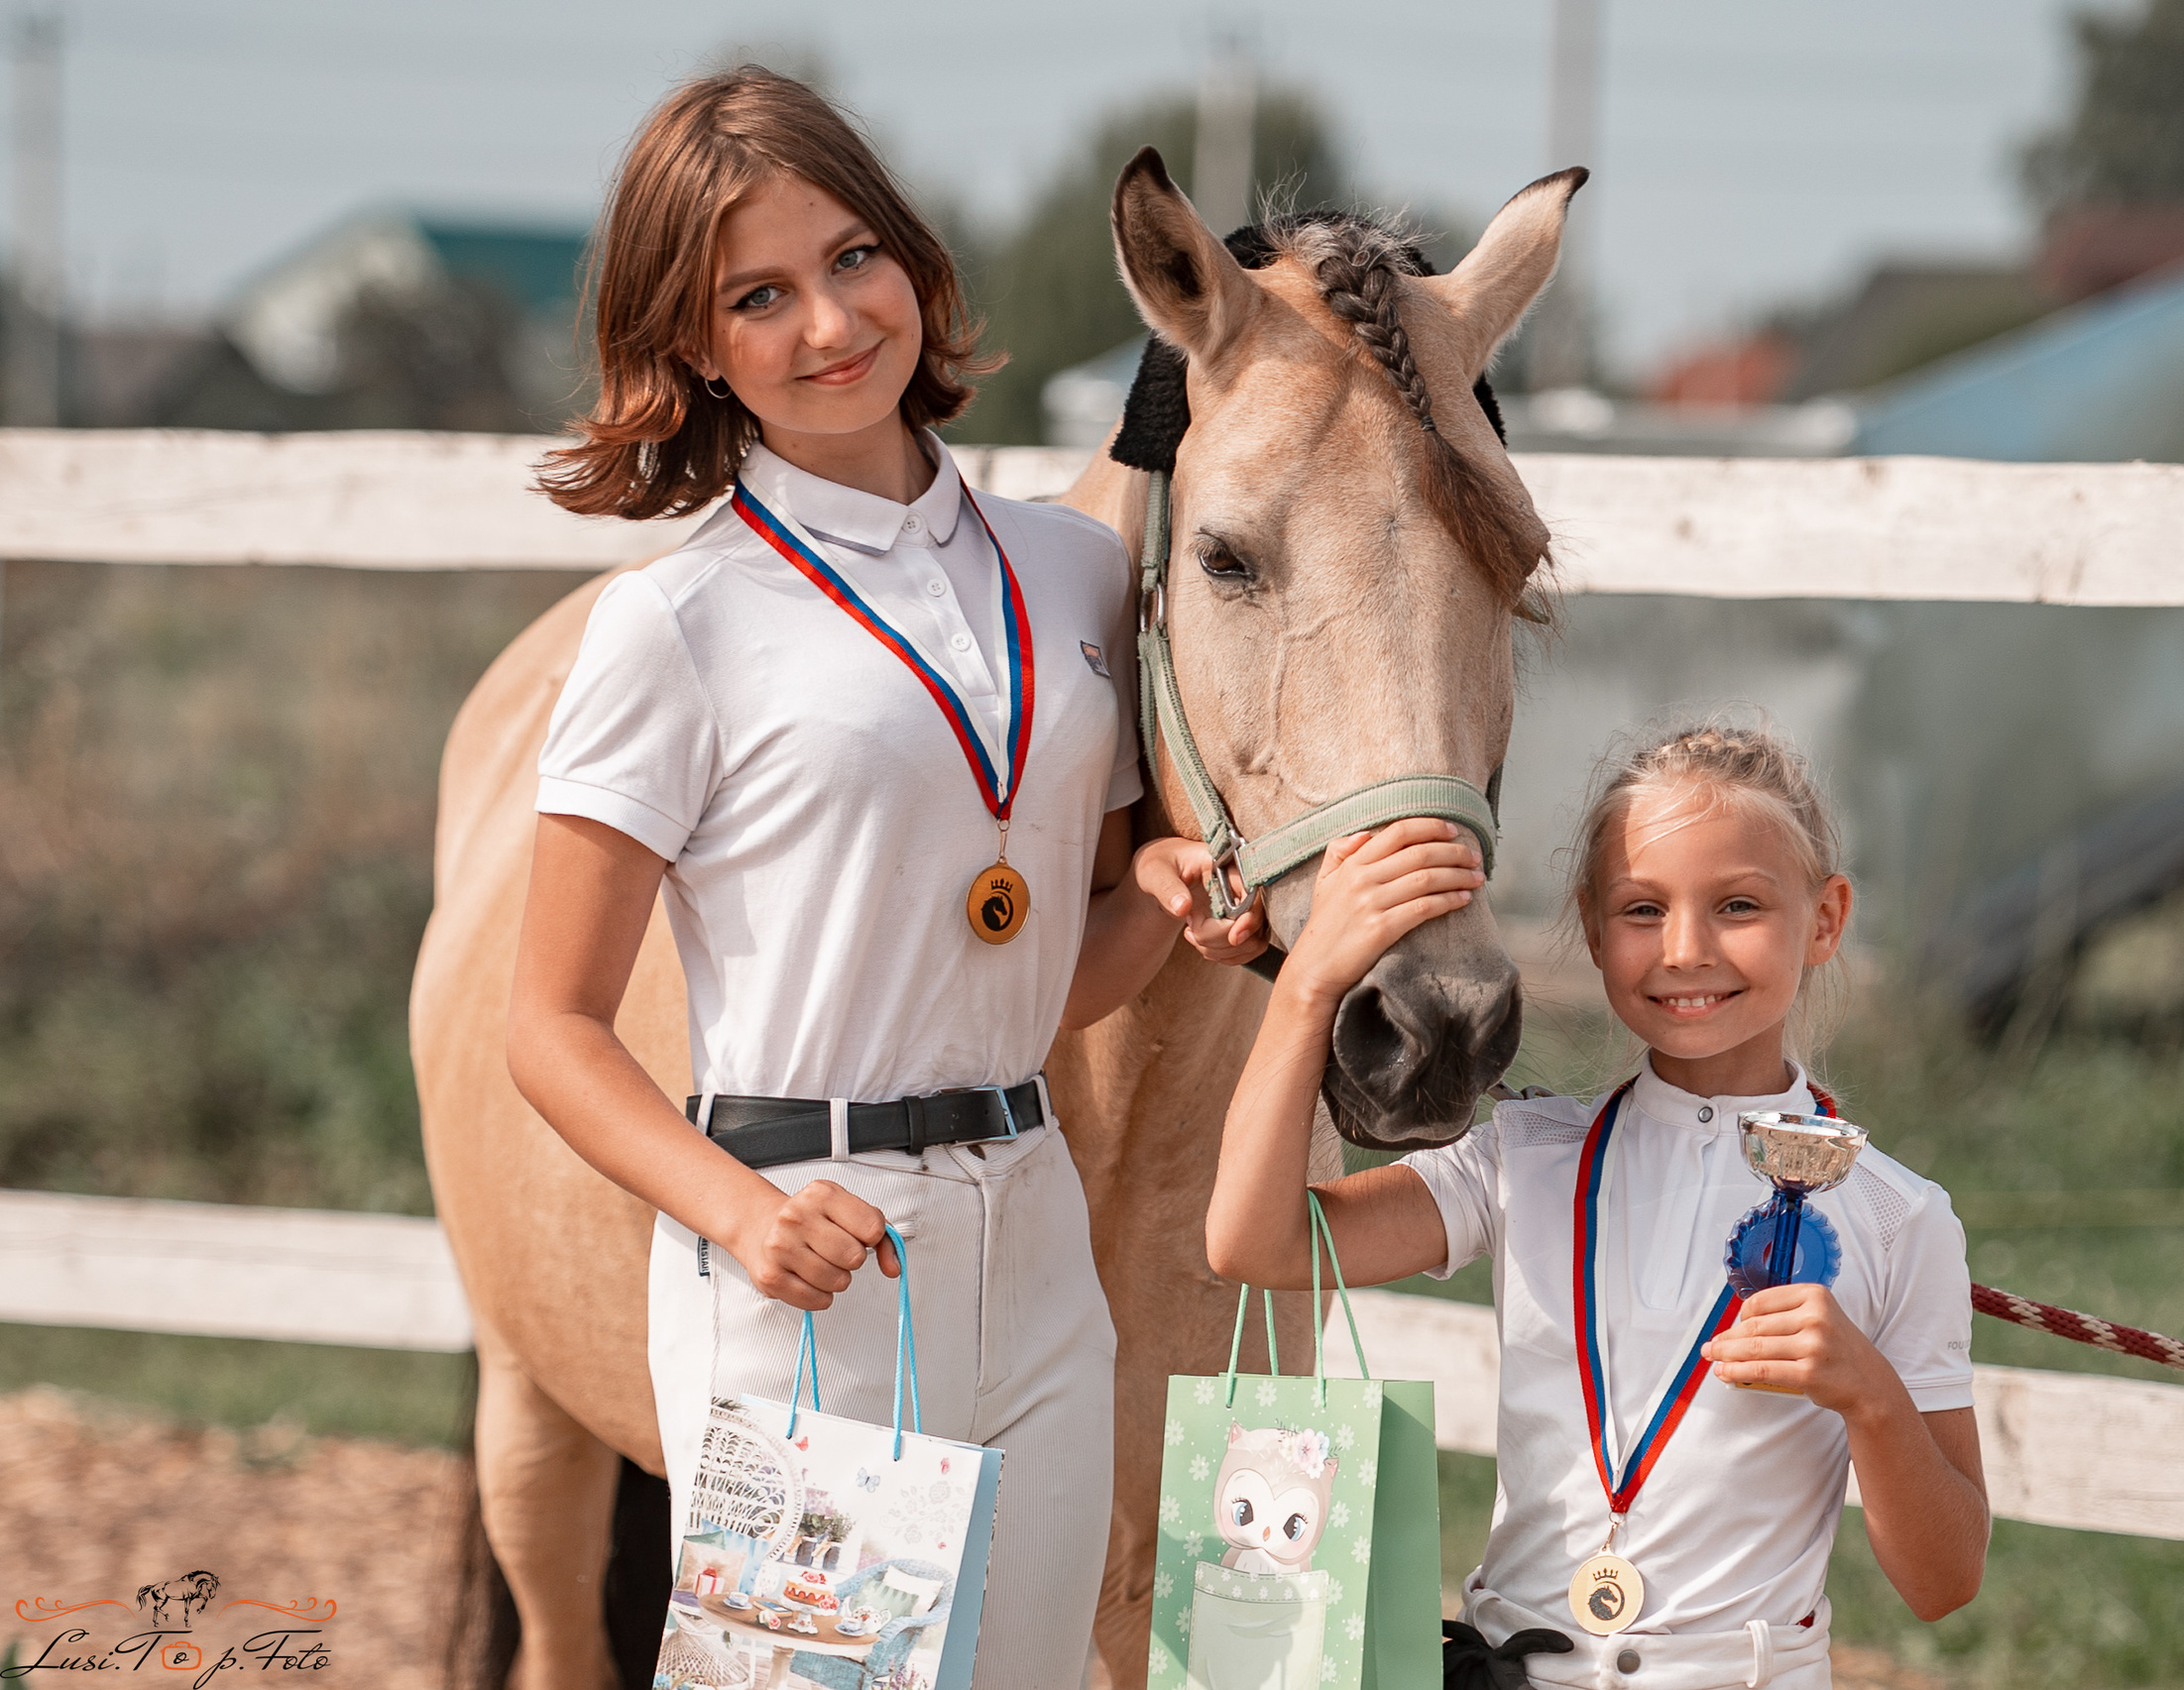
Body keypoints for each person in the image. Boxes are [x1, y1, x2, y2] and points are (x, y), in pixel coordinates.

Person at [505, 68, 1263, 1686]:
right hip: (803, 1261)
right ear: (699, 346)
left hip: (1032, 1233)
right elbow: (550, 1029)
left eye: (853, 258)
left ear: (913, 261)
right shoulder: (674, 626)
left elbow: (1047, 978)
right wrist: (736, 1213)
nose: (831, 322)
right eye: (758, 296)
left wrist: (1162, 900)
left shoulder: (1069, 572)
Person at [1207, 720, 1988, 1690]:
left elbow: (1944, 1581)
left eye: (1737, 904)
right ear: (1590, 926)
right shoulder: (1523, 1160)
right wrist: (1309, 986)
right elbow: (1254, 1242)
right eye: (1642, 909)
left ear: (1825, 918)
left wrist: (1868, 1395)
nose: (1686, 948)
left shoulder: (1894, 1216)